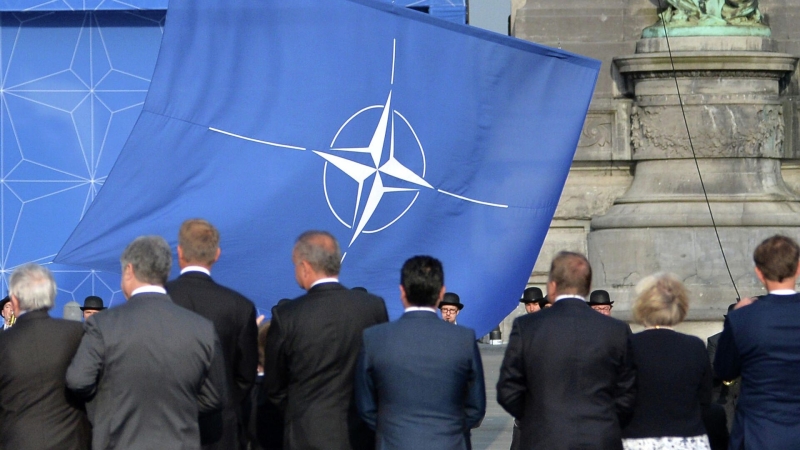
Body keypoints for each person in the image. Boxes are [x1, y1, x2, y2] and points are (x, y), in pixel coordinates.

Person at [66, 235, 228, 450]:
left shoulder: (104, 325)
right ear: (165, 271)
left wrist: (107, 408)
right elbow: (214, 396)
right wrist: (178, 406)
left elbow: (78, 380)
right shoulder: (201, 328)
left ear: (129, 270)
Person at [497, 251, 636, 450]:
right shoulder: (615, 330)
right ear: (587, 286)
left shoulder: (528, 327)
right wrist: (607, 421)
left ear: (552, 286)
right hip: (600, 437)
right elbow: (629, 391)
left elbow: (508, 389)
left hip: (545, 438)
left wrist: (535, 419)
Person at [263, 230, 389, 450]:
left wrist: (301, 413)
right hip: (360, 434)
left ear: (305, 266)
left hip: (307, 435)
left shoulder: (287, 316)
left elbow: (274, 386)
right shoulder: (372, 307)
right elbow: (381, 371)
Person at [354, 255, 486, 449]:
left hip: (394, 442)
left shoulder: (375, 338)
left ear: (402, 291)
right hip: (448, 442)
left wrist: (389, 431)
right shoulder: (463, 339)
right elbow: (476, 406)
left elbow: (365, 405)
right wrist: (451, 430)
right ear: (441, 292)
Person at [166, 218, 259, 450]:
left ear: (179, 252)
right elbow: (246, 375)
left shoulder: (157, 299)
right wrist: (224, 398)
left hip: (165, 424)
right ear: (216, 254)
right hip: (220, 429)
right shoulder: (239, 306)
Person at [715, 234, 800, 449]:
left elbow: (724, 370)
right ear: (798, 268)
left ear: (759, 273)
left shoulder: (743, 318)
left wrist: (734, 320)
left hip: (759, 434)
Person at [0, 263, 91, 450]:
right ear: (51, 297)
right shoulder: (79, 334)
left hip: (17, 443)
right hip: (71, 443)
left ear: (14, 300)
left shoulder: (4, 342)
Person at [621, 273, 712, 450]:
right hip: (688, 439)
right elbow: (705, 399)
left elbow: (621, 398)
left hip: (639, 439)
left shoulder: (628, 345)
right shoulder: (695, 346)